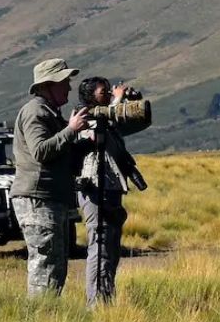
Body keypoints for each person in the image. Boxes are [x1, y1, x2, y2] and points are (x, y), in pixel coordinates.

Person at [12, 58, 90, 297]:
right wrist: (71, 130)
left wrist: (84, 142)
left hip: (49, 198)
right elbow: (41, 151)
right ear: (48, 85)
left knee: (54, 265)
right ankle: (41, 314)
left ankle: (47, 312)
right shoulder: (35, 112)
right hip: (38, 199)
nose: (69, 87)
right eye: (64, 82)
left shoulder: (49, 113)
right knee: (46, 267)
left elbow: (60, 153)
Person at [74, 77, 151, 307]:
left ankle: (106, 298)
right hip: (95, 189)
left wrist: (132, 102)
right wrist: (118, 99)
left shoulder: (109, 121)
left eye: (109, 91)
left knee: (111, 249)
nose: (108, 93)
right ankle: (96, 304)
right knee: (100, 247)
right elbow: (101, 120)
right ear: (89, 96)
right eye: (103, 92)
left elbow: (140, 121)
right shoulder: (85, 116)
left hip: (111, 189)